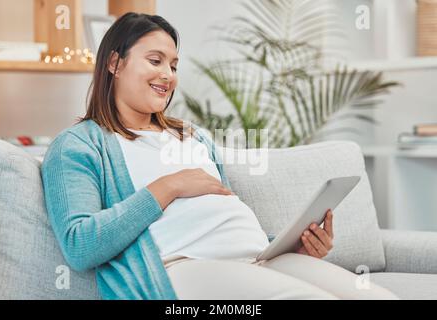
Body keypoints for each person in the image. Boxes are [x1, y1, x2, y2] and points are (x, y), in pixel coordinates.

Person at [41, 12, 397, 300]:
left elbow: (222, 215)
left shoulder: (192, 136)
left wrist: (294, 246)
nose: (168, 75)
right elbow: (80, 244)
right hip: (181, 268)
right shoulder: (80, 145)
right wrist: (170, 186)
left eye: (174, 65)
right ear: (115, 64)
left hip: (261, 260)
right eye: (155, 60)